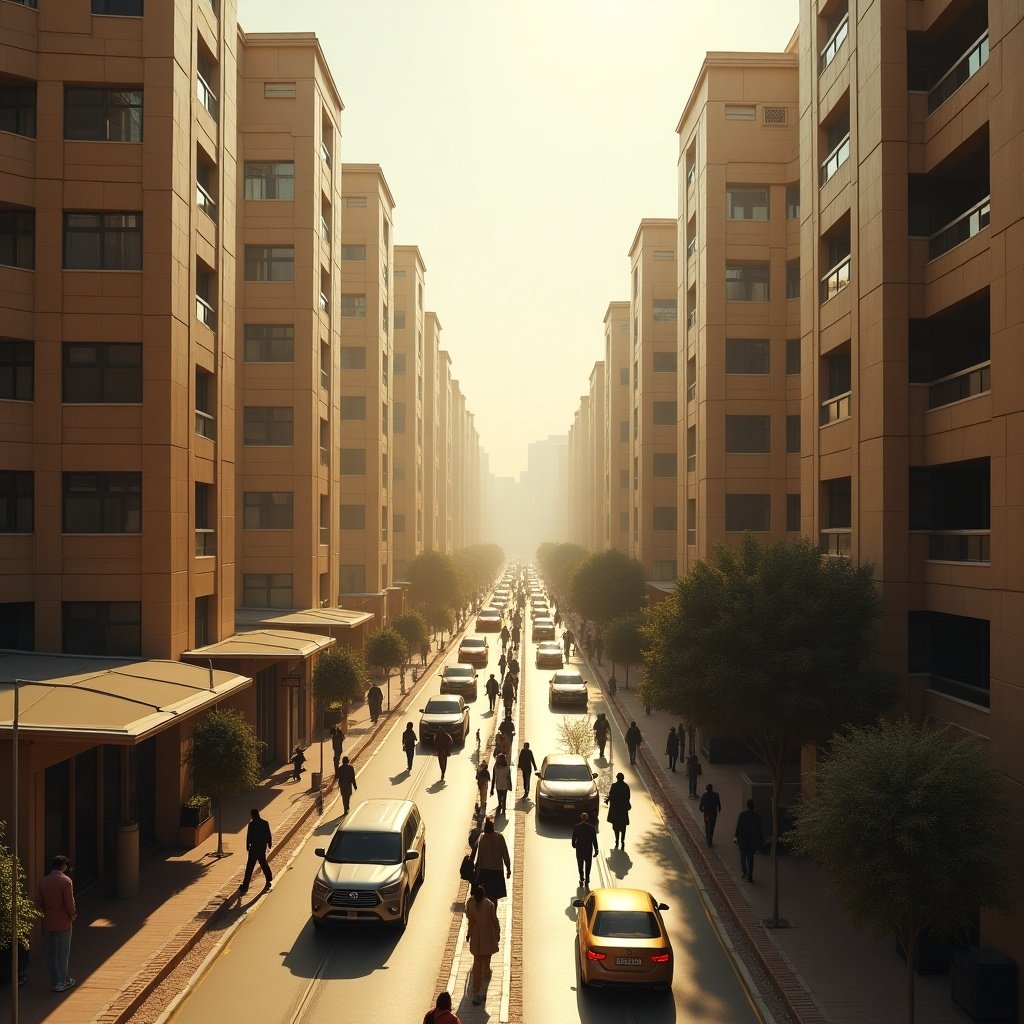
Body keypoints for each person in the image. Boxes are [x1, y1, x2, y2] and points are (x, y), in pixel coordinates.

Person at [38, 854, 76, 993]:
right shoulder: (66, 881)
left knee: (50, 952)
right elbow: (69, 902)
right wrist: (72, 915)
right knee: (63, 952)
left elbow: (40, 903)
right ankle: (62, 981)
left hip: (48, 919)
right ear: (63, 866)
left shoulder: (43, 881)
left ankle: (55, 980)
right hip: (63, 919)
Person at [464, 884, 500, 1007]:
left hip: (476, 939)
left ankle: (476, 993)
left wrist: (469, 934)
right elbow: (494, 920)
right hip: (487, 937)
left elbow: (470, 921)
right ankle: (483, 991)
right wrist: (497, 933)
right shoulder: (489, 905)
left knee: (477, 967)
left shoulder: (471, 905)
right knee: (486, 968)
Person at [474, 818, 511, 902]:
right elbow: (505, 854)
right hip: (497, 872)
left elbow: (479, 857)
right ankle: (492, 913)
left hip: (485, 871)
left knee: (485, 895)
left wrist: (477, 872)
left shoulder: (482, 839)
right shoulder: (500, 838)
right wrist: (508, 869)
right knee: (494, 897)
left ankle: (488, 913)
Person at [240, 808, 273, 894]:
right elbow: (268, 834)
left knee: (250, 867)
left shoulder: (251, 824)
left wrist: (247, 846)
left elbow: (249, 836)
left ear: (253, 815)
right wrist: (269, 843)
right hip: (261, 848)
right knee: (263, 864)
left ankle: (245, 885)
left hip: (254, 849)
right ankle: (268, 879)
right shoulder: (265, 823)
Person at [735, 799, 765, 882]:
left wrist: (736, 836)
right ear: (753, 806)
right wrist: (761, 840)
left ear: (747, 806)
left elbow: (738, 826)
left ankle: (744, 872)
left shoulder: (742, 815)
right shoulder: (757, 816)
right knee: (750, 857)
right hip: (752, 840)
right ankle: (750, 874)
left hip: (743, 839)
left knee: (743, 856)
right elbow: (759, 829)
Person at [571, 811, 599, 887]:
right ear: (587, 818)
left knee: (580, 864)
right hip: (588, 849)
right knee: (588, 864)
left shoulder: (577, 827)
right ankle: (587, 878)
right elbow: (594, 840)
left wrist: (573, 845)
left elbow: (574, 837)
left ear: (581, 818)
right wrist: (596, 849)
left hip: (579, 848)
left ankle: (581, 877)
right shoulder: (591, 828)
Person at [605, 772, 631, 850]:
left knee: (616, 826)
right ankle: (622, 841)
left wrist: (608, 800)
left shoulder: (614, 786)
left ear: (617, 778)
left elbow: (611, 795)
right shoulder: (626, 786)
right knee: (623, 827)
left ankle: (617, 840)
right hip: (623, 810)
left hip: (615, 810)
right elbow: (628, 797)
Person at [699, 783, 722, 847]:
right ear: (712, 789)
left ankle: (707, 839)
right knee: (712, 827)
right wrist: (719, 809)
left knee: (707, 826)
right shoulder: (716, 795)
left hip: (706, 813)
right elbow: (719, 805)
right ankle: (710, 840)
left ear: (706, 789)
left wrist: (703, 811)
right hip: (713, 814)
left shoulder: (704, 795)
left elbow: (700, 807)